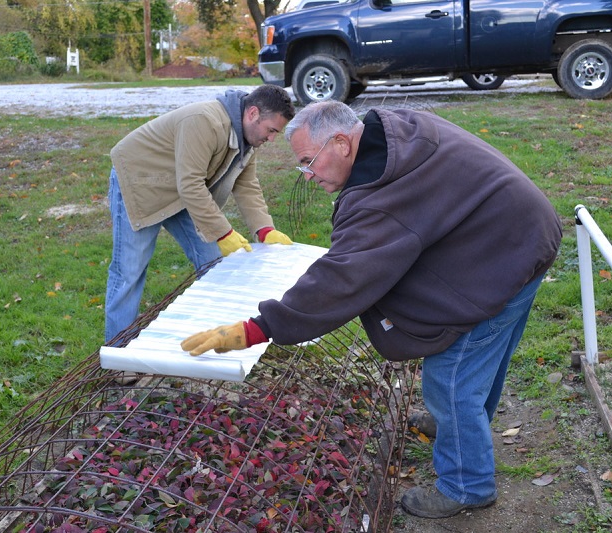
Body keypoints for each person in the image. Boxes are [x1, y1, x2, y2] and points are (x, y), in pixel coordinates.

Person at [180, 100, 562, 519]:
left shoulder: (383, 198)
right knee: (481, 364)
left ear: (342, 143)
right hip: (521, 233)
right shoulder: (398, 131)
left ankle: (467, 485)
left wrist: (257, 329)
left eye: (309, 161)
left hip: (500, 257)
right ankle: (459, 428)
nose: (307, 175)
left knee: (451, 378)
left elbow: (343, 279)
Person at [104, 84, 296, 343]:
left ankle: (219, 338)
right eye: (271, 130)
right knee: (129, 271)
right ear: (252, 114)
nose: (272, 139)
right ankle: (118, 354)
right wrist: (223, 232)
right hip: (141, 180)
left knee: (214, 262)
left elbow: (247, 185)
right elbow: (191, 184)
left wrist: (264, 229)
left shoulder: (248, 139)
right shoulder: (205, 121)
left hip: (181, 189)